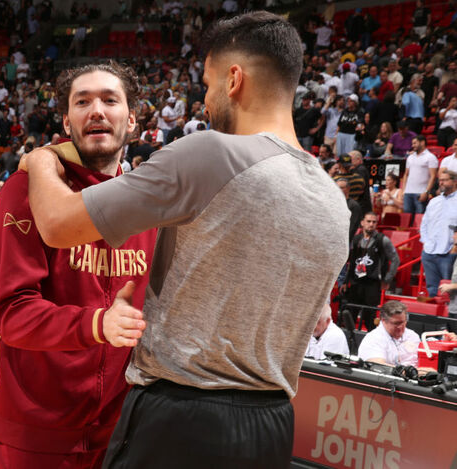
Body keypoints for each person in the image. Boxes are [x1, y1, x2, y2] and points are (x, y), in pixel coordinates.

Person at [21, 12, 349, 467]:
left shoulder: (210, 152)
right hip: (273, 426)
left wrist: (38, 160)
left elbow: (57, 224)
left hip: (183, 418)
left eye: (210, 84)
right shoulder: (334, 199)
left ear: (234, 79)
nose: (207, 100)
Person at [0, 61, 157, 469]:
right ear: (66, 121)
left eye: (110, 100)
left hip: (116, 429)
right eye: (83, 101)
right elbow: (13, 314)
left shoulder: (148, 202)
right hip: (33, 425)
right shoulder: (25, 191)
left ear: (131, 121)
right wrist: (97, 324)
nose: (97, 110)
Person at [342, 212, 400, 330]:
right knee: (351, 315)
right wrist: (344, 281)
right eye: (368, 221)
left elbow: (395, 259)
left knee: (369, 317)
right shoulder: (356, 239)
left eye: (374, 222)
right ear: (362, 223)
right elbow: (349, 261)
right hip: (355, 282)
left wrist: (387, 278)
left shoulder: (382, 240)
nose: (371, 224)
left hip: (372, 284)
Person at [420, 170, 457, 297]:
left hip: (449, 254)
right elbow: (424, 224)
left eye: (445, 180)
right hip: (429, 252)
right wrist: (426, 243)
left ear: (454, 181)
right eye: (440, 180)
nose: (441, 182)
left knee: (448, 293)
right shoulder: (434, 201)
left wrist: (454, 248)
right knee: (432, 291)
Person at [357, 300, 420, 366]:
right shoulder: (373, 339)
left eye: (403, 322)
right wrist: (411, 372)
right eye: (396, 323)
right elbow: (378, 367)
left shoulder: (413, 336)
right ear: (384, 320)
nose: (400, 326)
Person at [402, 135, 438, 215]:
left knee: (420, 218)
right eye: (412, 144)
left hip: (421, 193)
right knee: (407, 218)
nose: (412, 146)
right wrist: (403, 190)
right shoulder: (410, 157)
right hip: (408, 193)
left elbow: (433, 176)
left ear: (422, 143)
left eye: (415, 143)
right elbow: (406, 174)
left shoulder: (431, 157)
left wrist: (426, 192)